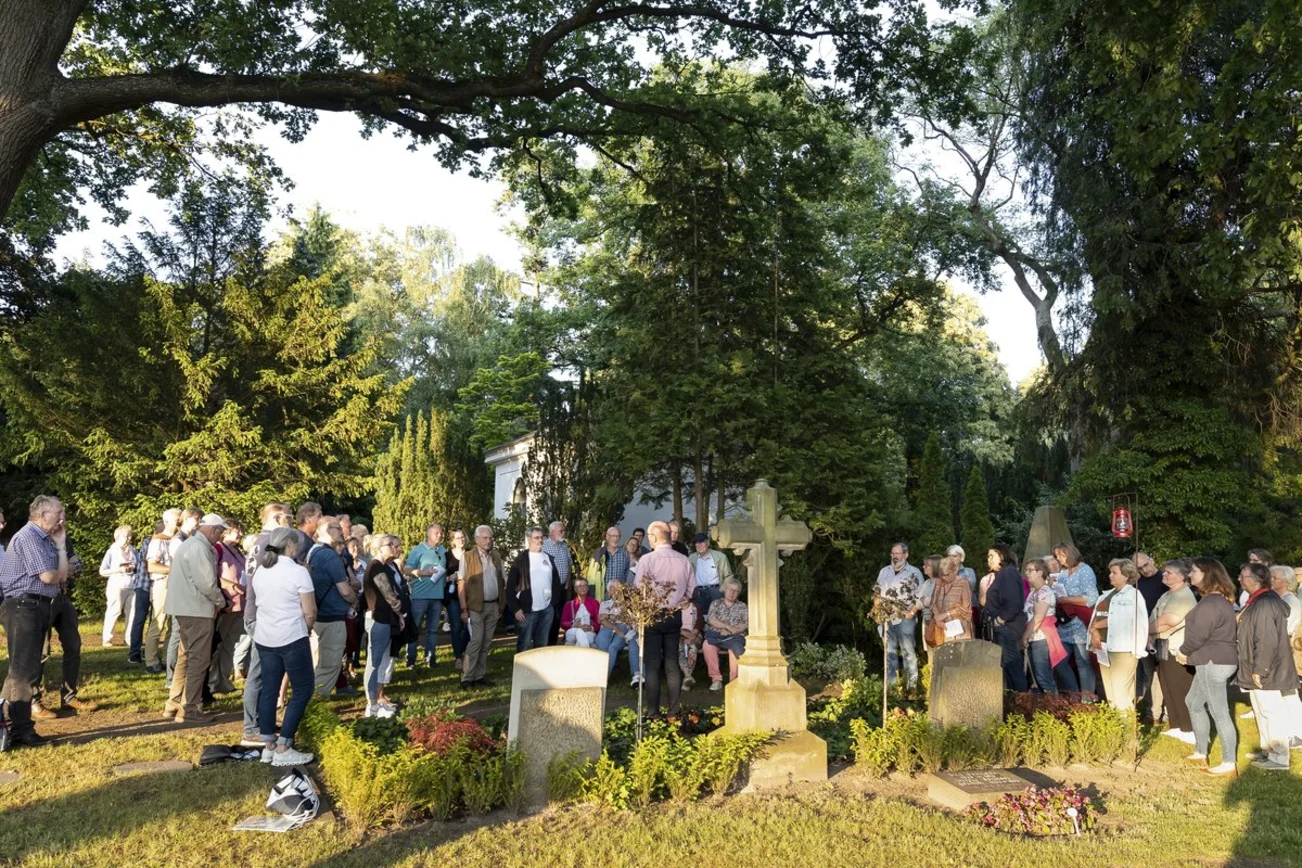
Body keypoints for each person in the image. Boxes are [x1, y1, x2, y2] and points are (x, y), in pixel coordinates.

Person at [0, 496, 72, 746]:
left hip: (35, 606)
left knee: (22, 670)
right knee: (24, 673)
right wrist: (59, 570)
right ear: (42, 515)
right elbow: (50, 576)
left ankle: (7, 724)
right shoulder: (29, 537)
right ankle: (21, 731)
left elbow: (62, 574)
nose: (62, 517)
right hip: (23, 607)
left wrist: (61, 545)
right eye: (58, 513)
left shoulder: (46, 539)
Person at [250, 526, 317, 766]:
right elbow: (310, 611)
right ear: (290, 544)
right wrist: (306, 628)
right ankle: (284, 745)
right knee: (303, 689)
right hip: (291, 636)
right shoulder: (298, 572)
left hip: (265, 637)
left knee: (269, 688)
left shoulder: (262, 570)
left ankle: (268, 744)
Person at [163, 514, 228, 723]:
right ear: (213, 529)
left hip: (185, 608)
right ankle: (189, 708)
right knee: (199, 660)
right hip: (197, 609)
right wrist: (221, 602)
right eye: (220, 532)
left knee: (185, 656)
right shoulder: (199, 548)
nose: (220, 537)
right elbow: (207, 583)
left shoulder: (189, 544)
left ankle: (174, 703)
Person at [1179, 558, 1240, 775]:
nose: (1190, 574)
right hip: (1212, 660)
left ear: (1208, 574)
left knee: (1218, 711)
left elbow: (1199, 636)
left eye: (1194, 571)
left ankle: (1229, 763)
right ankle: (1201, 752)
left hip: (1213, 661)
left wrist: (1183, 651)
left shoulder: (1211, 603)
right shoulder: (1215, 600)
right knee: (1193, 702)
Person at [1237, 562, 1295, 770]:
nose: (1239, 579)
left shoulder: (1265, 603)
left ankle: (1279, 757)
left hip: (1267, 668)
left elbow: (1266, 639)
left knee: (1271, 710)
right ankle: (1268, 750)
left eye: (1243, 575)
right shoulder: (1258, 600)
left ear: (1255, 580)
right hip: (1259, 666)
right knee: (1262, 710)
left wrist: (1260, 669)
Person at [633, 520, 695, 716]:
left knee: (652, 665)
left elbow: (638, 589)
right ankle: (673, 711)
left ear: (654, 537)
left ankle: (653, 712)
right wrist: (680, 600)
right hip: (674, 614)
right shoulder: (684, 560)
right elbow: (691, 590)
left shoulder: (647, 560)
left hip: (652, 615)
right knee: (671, 664)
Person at [1088, 559, 1150, 712]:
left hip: (1123, 650)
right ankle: (1116, 724)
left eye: (1114, 573)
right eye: (1110, 572)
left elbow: (1129, 620)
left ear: (1126, 576)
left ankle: (1127, 727)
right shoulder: (1106, 595)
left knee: (1121, 694)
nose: (1110, 575)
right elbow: (1096, 616)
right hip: (1103, 647)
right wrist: (1094, 632)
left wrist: (1138, 649)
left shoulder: (1133, 595)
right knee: (1110, 693)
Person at [308, 516, 358, 696]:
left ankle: (312, 700)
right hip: (331, 617)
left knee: (320, 662)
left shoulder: (313, 551)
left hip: (318, 614)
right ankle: (316, 703)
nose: (342, 532)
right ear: (328, 531)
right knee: (329, 663)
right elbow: (345, 590)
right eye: (338, 528)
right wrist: (355, 601)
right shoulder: (329, 555)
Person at [1150, 559, 1197, 742]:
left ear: (1180, 577)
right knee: (1167, 686)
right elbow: (1155, 616)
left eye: (1168, 572)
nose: (1164, 574)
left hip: (1177, 648)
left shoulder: (1184, 595)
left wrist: (1145, 630)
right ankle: (1177, 725)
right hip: (1163, 646)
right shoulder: (1167, 594)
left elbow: (1168, 620)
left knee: (1180, 687)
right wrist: (1150, 630)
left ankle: (1189, 729)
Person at [364, 535, 406, 715]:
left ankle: (375, 702)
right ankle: (372, 704)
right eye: (390, 544)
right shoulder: (376, 566)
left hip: (384, 618)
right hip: (378, 619)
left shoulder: (381, 566)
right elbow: (389, 595)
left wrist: (398, 614)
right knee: (374, 663)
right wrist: (398, 608)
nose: (395, 547)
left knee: (379, 661)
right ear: (380, 547)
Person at [458, 525, 505, 689]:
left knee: (486, 642)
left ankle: (479, 675)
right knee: (476, 640)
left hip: (493, 606)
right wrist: (464, 609)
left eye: (490, 538)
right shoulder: (467, 557)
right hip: (475, 606)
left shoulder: (496, 556)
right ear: (476, 539)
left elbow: (502, 580)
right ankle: (467, 677)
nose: (488, 541)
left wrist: (500, 604)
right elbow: (461, 584)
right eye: (485, 538)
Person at [1053, 541, 1100, 699]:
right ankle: (1073, 695)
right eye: (1057, 556)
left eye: (1061, 555)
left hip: (1080, 623)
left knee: (1083, 663)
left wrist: (1066, 599)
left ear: (1069, 554)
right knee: (1059, 661)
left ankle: (1087, 700)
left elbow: (1091, 598)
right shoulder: (1063, 573)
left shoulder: (1085, 570)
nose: (1058, 559)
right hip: (1065, 623)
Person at [1021, 558, 1076, 694]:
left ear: (1040, 572)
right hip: (1033, 636)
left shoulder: (1044, 592)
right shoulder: (1034, 592)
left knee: (1043, 677)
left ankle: (1052, 704)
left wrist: (1024, 637)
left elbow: (1038, 618)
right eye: (1026, 570)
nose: (1026, 573)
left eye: (1030, 570)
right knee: (1037, 677)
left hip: (1041, 637)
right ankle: (1044, 704)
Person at [506, 527, 563, 651]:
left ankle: (539, 664)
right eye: (536, 537)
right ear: (529, 539)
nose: (540, 540)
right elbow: (510, 588)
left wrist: (552, 604)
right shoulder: (520, 560)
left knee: (542, 644)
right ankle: (521, 664)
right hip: (527, 611)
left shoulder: (548, 558)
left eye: (542, 537)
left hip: (546, 610)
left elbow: (556, 583)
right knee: (525, 644)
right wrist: (515, 609)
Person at [875, 542, 923, 691]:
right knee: (889, 653)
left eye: (898, 553)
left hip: (905, 619)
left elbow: (921, 596)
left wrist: (912, 612)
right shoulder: (884, 571)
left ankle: (911, 687)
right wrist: (877, 612)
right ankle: (892, 688)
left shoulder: (914, 573)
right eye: (893, 553)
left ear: (906, 555)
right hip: (886, 619)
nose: (895, 556)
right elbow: (877, 593)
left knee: (908, 652)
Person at [984, 545, 1029, 692]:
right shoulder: (1003, 574)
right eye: (988, 557)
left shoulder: (1009, 573)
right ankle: (1014, 699)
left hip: (1008, 627)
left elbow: (1013, 602)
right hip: (1004, 627)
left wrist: (1000, 620)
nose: (988, 559)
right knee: (1008, 668)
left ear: (1002, 556)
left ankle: (1021, 700)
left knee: (1013, 667)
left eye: (992, 556)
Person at [209, 522, 247, 695]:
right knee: (218, 644)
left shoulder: (238, 551)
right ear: (225, 532)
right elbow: (212, 575)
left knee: (230, 644)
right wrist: (231, 585)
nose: (240, 534)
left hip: (240, 603)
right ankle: (210, 682)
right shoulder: (218, 549)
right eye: (236, 531)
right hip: (226, 603)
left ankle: (223, 680)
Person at [143, 508, 182, 674]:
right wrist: (175, 569)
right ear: (167, 522)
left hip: (177, 583)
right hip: (163, 583)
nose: (179, 523)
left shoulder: (180, 539)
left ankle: (168, 658)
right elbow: (152, 566)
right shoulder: (158, 540)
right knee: (158, 622)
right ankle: (151, 660)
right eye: (177, 520)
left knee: (174, 624)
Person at [403, 523, 448, 667]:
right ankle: (411, 658)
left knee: (433, 630)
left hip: (437, 596)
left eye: (441, 533)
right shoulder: (418, 550)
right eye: (436, 533)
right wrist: (423, 572)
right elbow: (407, 569)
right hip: (420, 596)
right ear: (428, 534)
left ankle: (430, 657)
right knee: (414, 628)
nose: (439, 535)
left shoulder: (443, 550)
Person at [1268, 565, 1302, 746]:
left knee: (1288, 692)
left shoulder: (1290, 602)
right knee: (1282, 693)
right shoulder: (1280, 599)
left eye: (1275, 578)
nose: (1271, 580)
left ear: (1287, 582)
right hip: (1279, 648)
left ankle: (1298, 733)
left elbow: (1285, 628)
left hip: (1285, 650)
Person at [1134, 552, 1166, 720]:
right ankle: (1153, 710)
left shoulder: (1165, 579)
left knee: (1165, 673)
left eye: (1146, 565)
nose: (1144, 570)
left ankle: (1165, 711)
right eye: (1139, 568)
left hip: (1162, 633)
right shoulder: (1137, 584)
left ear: (1152, 560)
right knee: (1149, 674)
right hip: (1143, 634)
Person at [703, 579, 748, 691]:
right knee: (707, 646)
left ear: (739, 593)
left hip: (735, 636)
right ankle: (716, 679)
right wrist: (727, 627)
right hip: (716, 635)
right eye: (730, 589)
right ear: (725, 590)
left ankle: (734, 681)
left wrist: (732, 631)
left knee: (735, 648)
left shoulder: (742, 606)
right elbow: (711, 619)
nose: (732, 593)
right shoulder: (716, 603)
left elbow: (745, 624)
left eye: (736, 591)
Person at [595, 578, 640, 683]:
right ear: (609, 592)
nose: (615, 590)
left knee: (613, 647)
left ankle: (603, 679)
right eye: (612, 588)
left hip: (624, 628)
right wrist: (615, 627)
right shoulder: (605, 603)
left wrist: (609, 616)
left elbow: (627, 619)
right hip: (610, 628)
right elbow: (602, 620)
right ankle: (599, 674)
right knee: (602, 642)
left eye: (617, 587)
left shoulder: (628, 604)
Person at [98, 525, 137, 647]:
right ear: (118, 537)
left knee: (132, 613)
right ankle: (107, 639)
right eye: (126, 536)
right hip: (116, 586)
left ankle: (129, 639)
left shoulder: (134, 551)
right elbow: (102, 571)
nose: (129, 538)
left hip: (132, 586)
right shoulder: (111, 551)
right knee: (113, 612)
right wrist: (118, 570)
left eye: (130, 535)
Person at [127, 522, 158, 664]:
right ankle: (135, 652)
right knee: (141, 620)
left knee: (152, 621)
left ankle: (146, 651)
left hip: (149, 585)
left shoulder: (151, 541)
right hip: (145, 585)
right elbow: (148, 564)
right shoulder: (150, 542)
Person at [688, 532, 734, 622]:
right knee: (700, 617)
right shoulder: (691, 558)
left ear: (708, 543)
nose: (699, 545)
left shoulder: (720, 557)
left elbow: (729, 575)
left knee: (719, 616)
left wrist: (722, 589)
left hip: (716, 590)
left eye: (702, 542)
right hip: (699, 591)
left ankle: (718, 631)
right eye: (697, 543)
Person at [929, 556, 974, 645]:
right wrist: (938, 620)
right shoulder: (939, 583)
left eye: (947, 574)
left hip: (960, 628)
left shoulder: (963, 583)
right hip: (942, 629)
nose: (944, 577)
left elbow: (966, 609)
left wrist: (947, 614)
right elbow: (934, 602)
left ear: (954, 571)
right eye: (942, 575)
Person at [585, 527, 629, 607]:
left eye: (618, 536)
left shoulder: (625, 554)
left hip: (618, 594)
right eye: (613, 536)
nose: (615, 539)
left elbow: (626, 573)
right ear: (607, 537)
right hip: (602, 594)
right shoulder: (599, 553)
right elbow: (592, 575)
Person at [444, 528, 468, 670]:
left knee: (469, 626)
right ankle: (458, 657)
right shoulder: (447, 556)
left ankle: (463, 650)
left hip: (469, 595)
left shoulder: (471, 554)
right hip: (453, 595)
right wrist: (449, 578)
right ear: (453, 540)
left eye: (462, 537)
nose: (461, 540)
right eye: (458, 538)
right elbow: (441, 575)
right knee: (456, 626)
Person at [561, 577, 601, 647]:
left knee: (582, 636)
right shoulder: (569, 604)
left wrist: (591, 627)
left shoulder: (594, 603)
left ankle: (578, 651)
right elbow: (562, 623)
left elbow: (599, 621)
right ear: (575, 589)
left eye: (585, 585)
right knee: (579, 632)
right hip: (572, 632)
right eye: (580, 586)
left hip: (589, 632)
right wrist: (573, 625)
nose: (583, 588)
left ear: (587, 588)